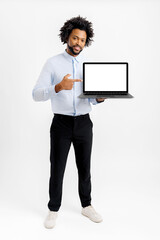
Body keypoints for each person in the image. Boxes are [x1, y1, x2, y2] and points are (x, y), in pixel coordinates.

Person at [32, 15, 106, 229]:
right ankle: (53, 209)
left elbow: (91, 97)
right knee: (57, 167)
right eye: (75, 38)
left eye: (82, 40)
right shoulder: (52, 63)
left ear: (86, 41)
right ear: (67, 37)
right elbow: (36, 94)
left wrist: (99, 98)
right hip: (61, 124)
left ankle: (86, 205)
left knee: (85, 167)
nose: (78, 43)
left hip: (84, 123)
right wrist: (57, 87)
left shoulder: (88, 65)